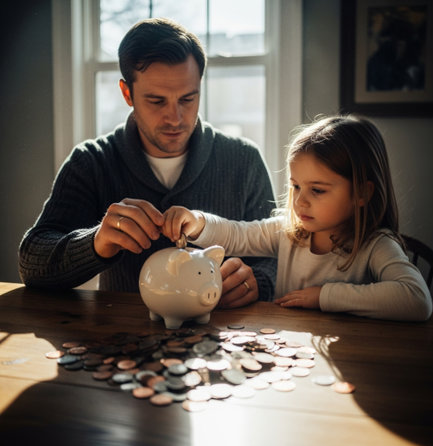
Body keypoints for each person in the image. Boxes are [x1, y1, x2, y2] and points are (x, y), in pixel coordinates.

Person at [18, 18, 277, 308]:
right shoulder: (91, 162)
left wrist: (257, 282)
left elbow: (280, 255)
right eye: (156, 101)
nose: (175, 118)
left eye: (188, 99)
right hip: (120, 340)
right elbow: (32, 263)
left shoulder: (244, 160)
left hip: (224, 341)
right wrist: (96, 243)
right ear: (127, 93)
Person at [162, 114, 433, 321]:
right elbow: (237, 234)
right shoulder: (290, 231)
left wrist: (324, 296)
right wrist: (198, 222)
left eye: (317, 190)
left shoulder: (376, 245)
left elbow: (417, 299)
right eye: (296, 186)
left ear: (361, 192)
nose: (300, 200)